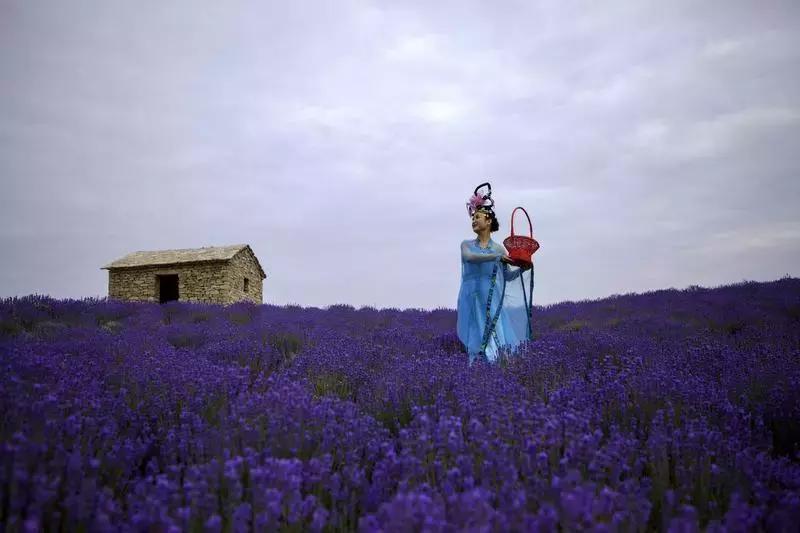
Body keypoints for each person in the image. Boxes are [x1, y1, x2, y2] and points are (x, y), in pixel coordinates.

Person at [457, 184, 533, 365]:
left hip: (492, 295)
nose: (474, 220)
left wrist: (521, 269)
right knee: (475, 328)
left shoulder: (499, 248)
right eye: (473, 218)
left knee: (494, 327)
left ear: (489, 221)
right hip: (472, 296)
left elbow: (506, 276)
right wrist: (497, 257)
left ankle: (497, 361)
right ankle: (477, 362)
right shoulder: (467, 245)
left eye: (478, 217)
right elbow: (470, 258)